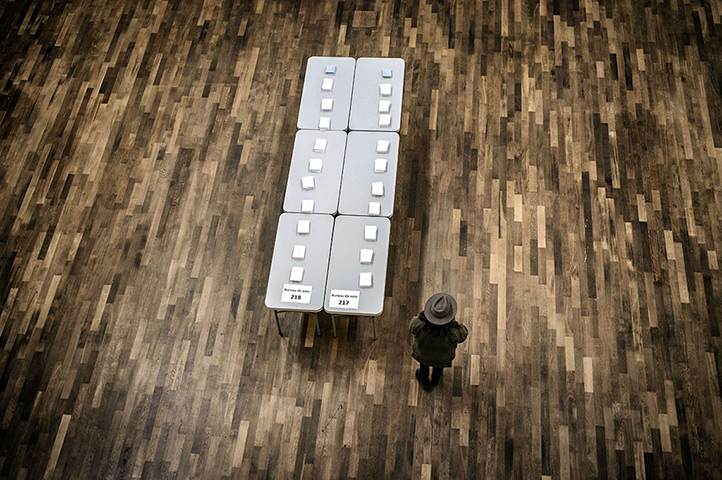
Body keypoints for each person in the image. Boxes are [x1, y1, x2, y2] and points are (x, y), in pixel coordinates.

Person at [409, 293, 468, 388]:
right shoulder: (453, 332)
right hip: (442, 358)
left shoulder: (420, 325)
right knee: (438, 370)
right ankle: (435, 381)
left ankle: (424, 381)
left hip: (423, 354)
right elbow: (464, 333)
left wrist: (423, 316)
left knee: (423, 368)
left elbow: (412, 326)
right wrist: (453, 324)